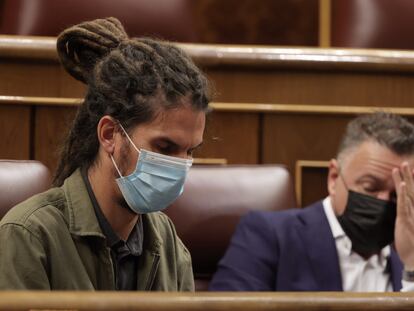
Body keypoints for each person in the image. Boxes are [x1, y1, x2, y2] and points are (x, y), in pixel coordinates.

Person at [0, 17, 210, 290]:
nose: (179, 166)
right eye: (165, 147)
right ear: (110, 134)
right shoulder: (27, 235)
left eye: (190, 150)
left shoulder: (168, 241)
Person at [210, 112, 414, 291]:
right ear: (334, 178)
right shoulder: (269, 235)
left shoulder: (407, 257)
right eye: (370, 188)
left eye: (398, 194)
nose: (385, 202)